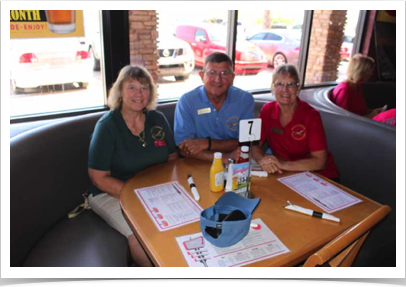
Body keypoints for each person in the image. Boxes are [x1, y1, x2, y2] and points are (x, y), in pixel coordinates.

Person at [88, 65, 177, 267]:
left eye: (144, 88)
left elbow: (172, 158)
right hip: (109, 194)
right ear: (120, 91)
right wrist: (137, 196)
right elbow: (98, 178)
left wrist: (164, 189)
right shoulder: (107, 126)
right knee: (139, 236)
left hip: (151, 191)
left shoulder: (158, 119)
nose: (139, 94)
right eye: (132, 87)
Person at [252, 64, 339, 182]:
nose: (285, 90)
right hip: (286, 174)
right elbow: (254, 144)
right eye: (279, 84)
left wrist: (283, 164)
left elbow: (319, 162)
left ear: (298, 89)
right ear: (272, 88)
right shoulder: (267, 110)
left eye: (291, 84)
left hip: (321, 177)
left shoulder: (311, 115)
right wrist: (262, 161)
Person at [174, 52, 254, 163]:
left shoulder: (245, 99)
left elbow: (248, 142)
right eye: (212, 73)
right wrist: (225, 158)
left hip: (236, 162)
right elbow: (184, 148)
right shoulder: (187, 101)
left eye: (224, 73)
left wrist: (207, 143)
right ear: (202, 76)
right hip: (198, 164)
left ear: (232, 78)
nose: (217, 79)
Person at [330, 54, 384, 118]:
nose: (371, 74)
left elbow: (358, 110)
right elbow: (345, 119)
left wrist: (372, 111)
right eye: (369, 71)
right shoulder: (344, 90)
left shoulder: (357, 86)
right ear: (361, 72)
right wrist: (371, 115)